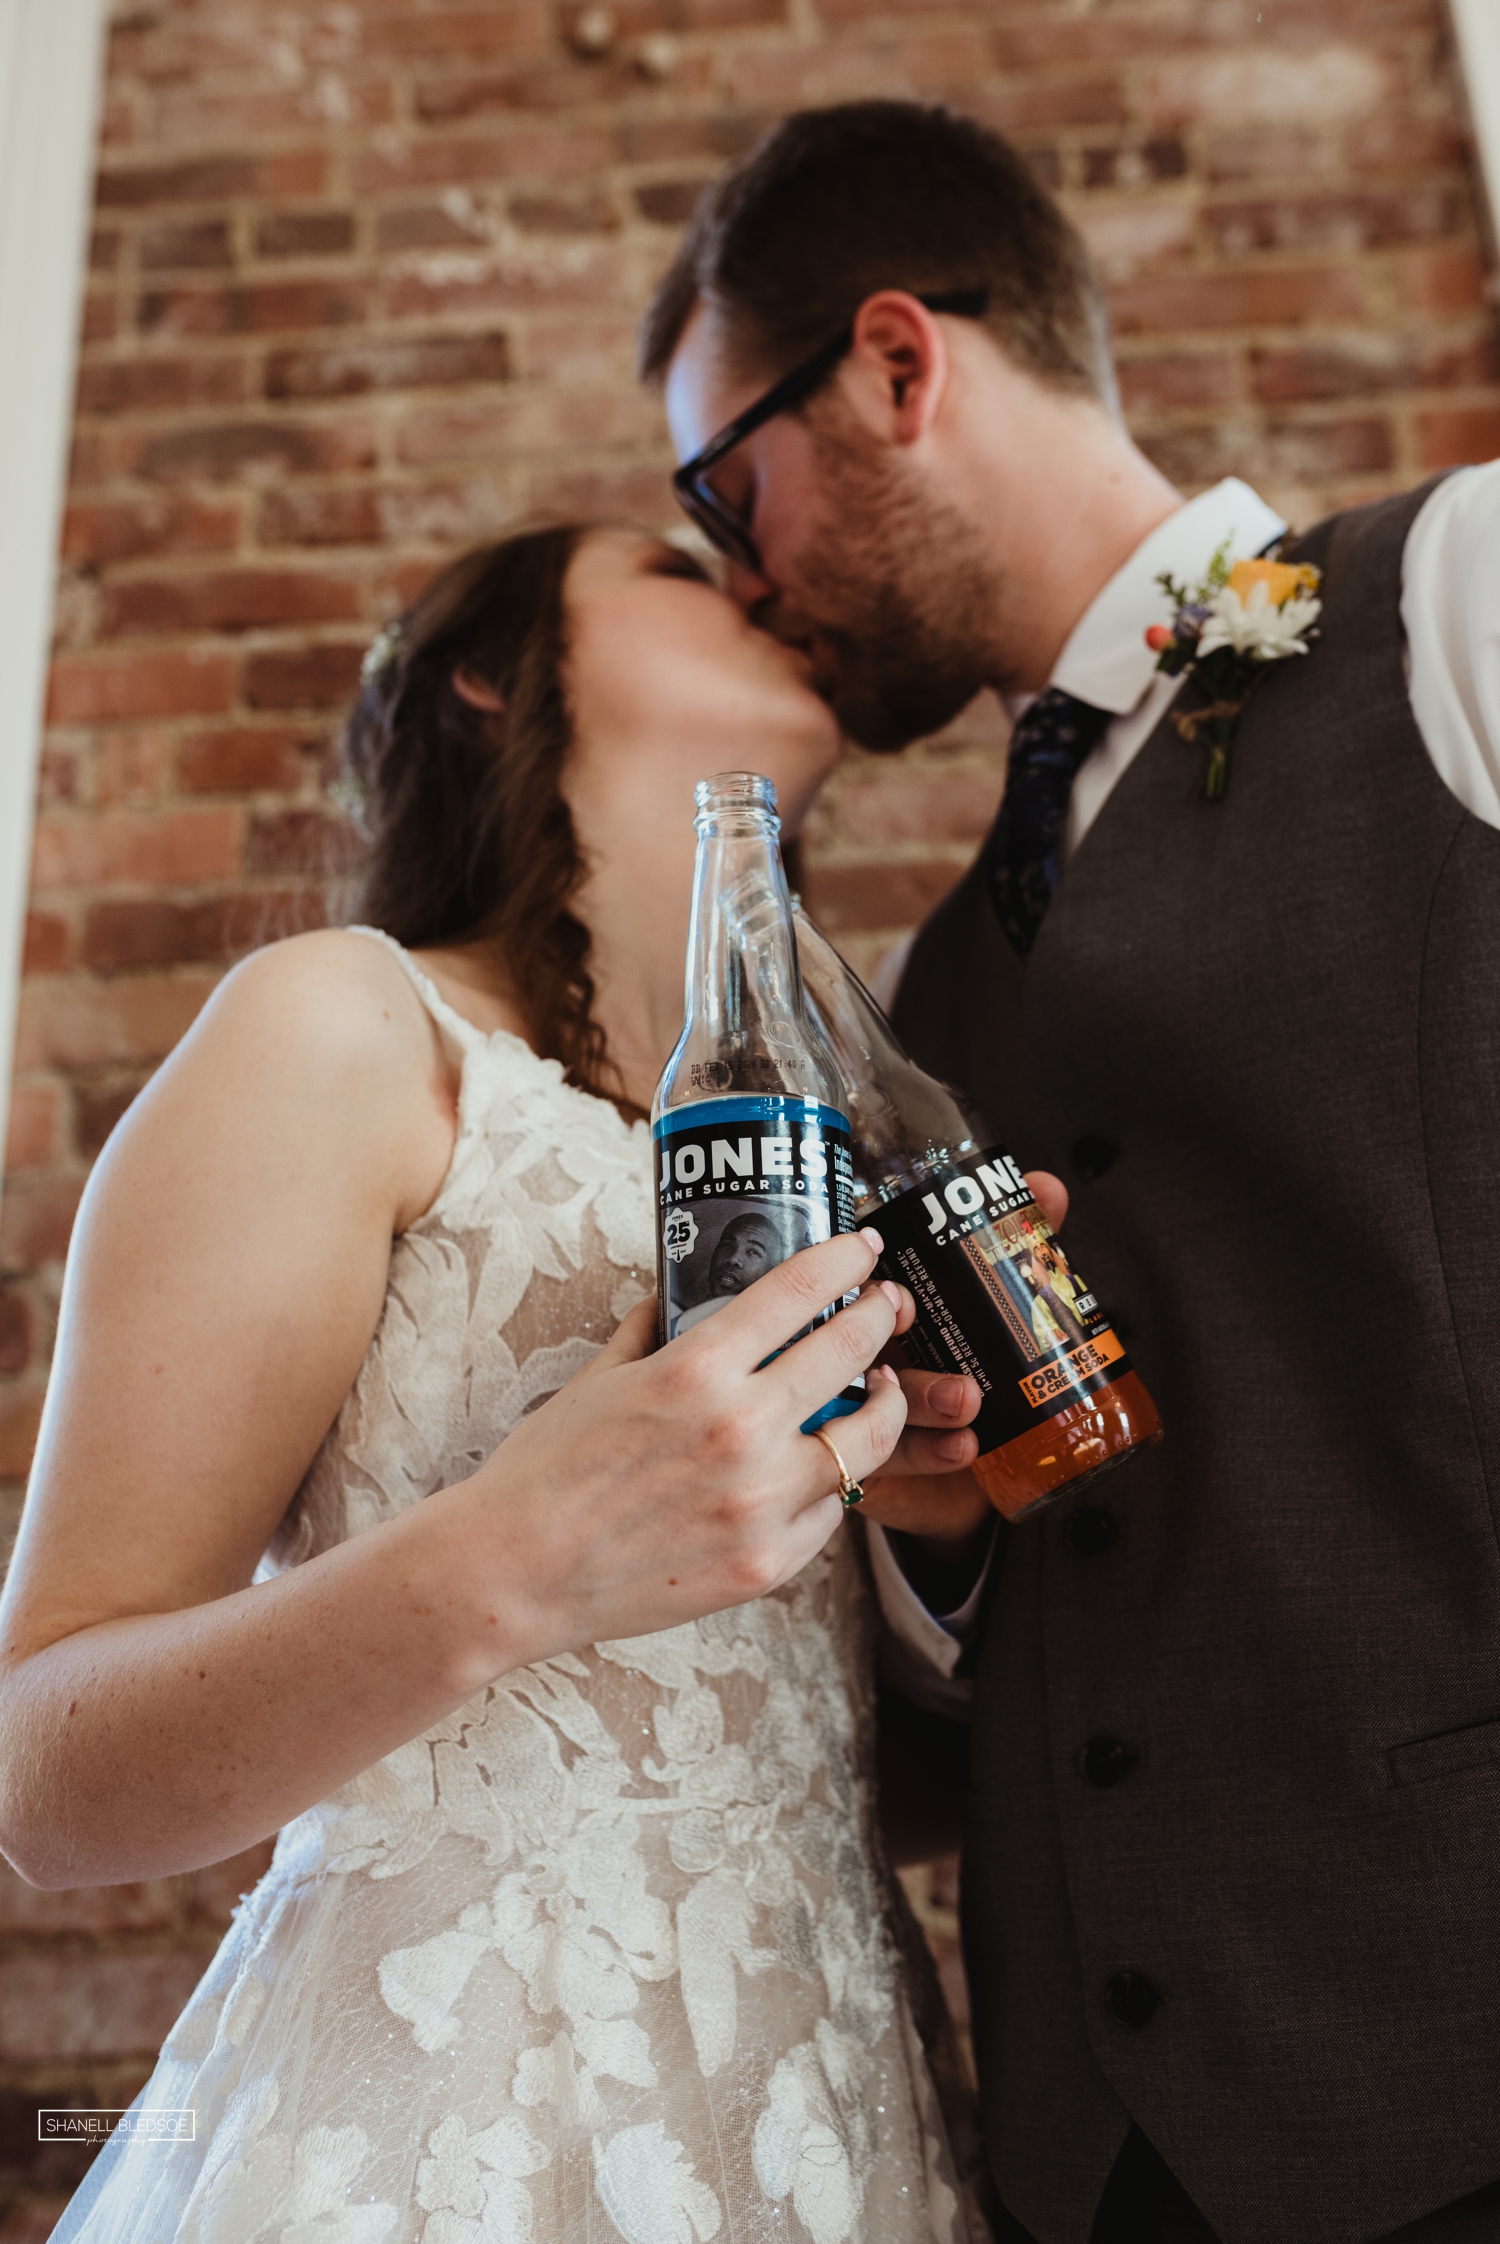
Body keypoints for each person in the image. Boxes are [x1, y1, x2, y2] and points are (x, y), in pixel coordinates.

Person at [644, 99, 1500, 2244]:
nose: (739, 580)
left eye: (724, 491)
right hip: (1093, 2146)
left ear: (899, 366)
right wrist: (935, 1535)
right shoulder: (925, 975)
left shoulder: (1459, 598)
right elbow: (1044, 1568)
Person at [0, 524, 1016, 2244]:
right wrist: (521, 1552)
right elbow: (44, 1779)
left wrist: (934, 1538)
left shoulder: (826, 1139)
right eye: (682, 567)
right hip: (469, 2118)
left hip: (836, 2108)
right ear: (492, 674)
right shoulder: (343, 1029)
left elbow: (793, 1758)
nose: (763, 581)